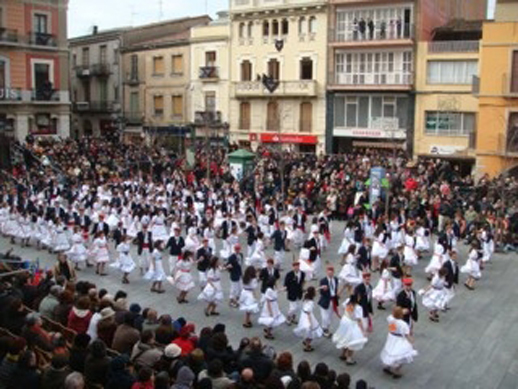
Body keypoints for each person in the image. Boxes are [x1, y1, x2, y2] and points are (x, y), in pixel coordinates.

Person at [380, 306, 418, 378]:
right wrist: (412, 341)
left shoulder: (390, 319)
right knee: (401, 354)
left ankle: (387, 366)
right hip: (399, 339)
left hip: (391, 337)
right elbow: (407, 335)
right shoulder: (403, 324)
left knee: (390, 350)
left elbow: (392, 319)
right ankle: (396, 370)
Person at [332, 294, 367, 365]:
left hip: (345, 320)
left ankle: (343, 354)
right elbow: (359, 320)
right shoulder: (358, 308)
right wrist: (363, 330)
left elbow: (342, 307)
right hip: (352, 323)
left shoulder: (348, 301)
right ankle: (349, 358)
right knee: (353, 340)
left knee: (345, 337)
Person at [293, 286, 323, 352]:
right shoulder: (310, 303)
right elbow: (309, 313)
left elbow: (312, 290)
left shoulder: (306, 298)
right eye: (315, 292)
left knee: (308, 331)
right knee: (311, 331)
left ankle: (306, 342)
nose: (316, 292)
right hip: (308, 317)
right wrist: (310, 323)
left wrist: (320, 288)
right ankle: (307, 346)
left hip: (303, 315)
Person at [318, 266, 339, 338]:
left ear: (333, 272)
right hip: (325, 301)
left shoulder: (335, 279)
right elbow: (321, 292)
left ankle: (327, 328)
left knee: (330, 316)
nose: (330, 273)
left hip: (333, 300)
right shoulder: (323, 281)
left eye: (331, 272)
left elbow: (336, 288)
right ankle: (324, 329)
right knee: (325, 317)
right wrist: (324, 289)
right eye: (328, 272)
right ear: (326, 272)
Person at [284, 260, 305, 325]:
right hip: (292, 293)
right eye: (295, 266)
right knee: (293, 308)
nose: (296, 267)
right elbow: (286, 283)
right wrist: (286, 288)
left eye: (297, 266)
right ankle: (288, 317)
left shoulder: (302, 273)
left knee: (298, 307)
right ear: (293, 267)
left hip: (299, 292)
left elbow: (302, 282)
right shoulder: (289, 274)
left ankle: (293, 318)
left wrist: (303, 288)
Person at [227, 243, 243, 308]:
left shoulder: (241, 255)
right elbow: (227, 265)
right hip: (233, 274)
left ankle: (236, 300)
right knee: (234, 289)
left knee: (240, 288)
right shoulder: (231, 257)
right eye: (236, 249)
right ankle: (231, 301)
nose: (237, 250)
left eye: (238, 249)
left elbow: (240, 265)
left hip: (239, 273)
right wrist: (229, 267)